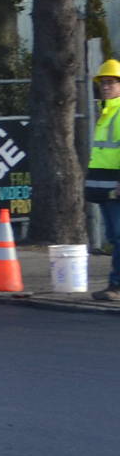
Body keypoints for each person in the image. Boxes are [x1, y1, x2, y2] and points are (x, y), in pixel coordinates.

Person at [90, 59, 120, 300]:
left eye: (111, 82)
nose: (106, 86)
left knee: (119, 237)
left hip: (115, 187)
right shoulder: (106, 113)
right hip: (106, 187)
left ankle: (117, 286)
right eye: (103, 82)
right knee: (113, 237)